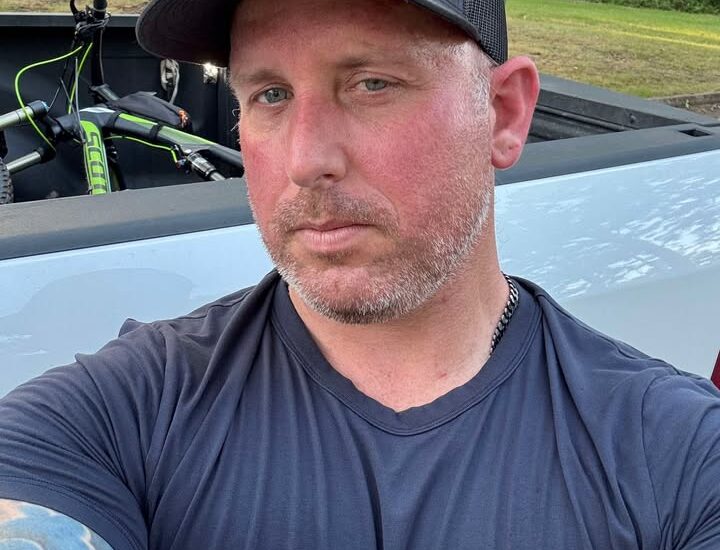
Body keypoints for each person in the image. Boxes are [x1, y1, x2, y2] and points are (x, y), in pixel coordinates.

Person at [1, 0, 719, 548]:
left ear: (502, 114)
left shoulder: (680, 458)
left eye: (372, 83)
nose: (306, 159)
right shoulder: (119, 413)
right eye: (270, 94)